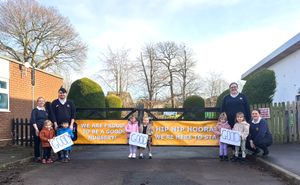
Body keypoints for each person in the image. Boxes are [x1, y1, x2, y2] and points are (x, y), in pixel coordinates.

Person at [30, 97, 50, 162]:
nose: (41, 102)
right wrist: (36, 129)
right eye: (40, 101)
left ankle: (45, 156)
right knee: (37, 143)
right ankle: (37, 157)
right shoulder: (35, 110)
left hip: (44, 129)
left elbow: (47, 120)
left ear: (44, 102)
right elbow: (33, 120)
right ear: (37, 102)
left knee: (45, 142)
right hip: (37, 129)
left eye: (42, 101)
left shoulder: (45, 111)